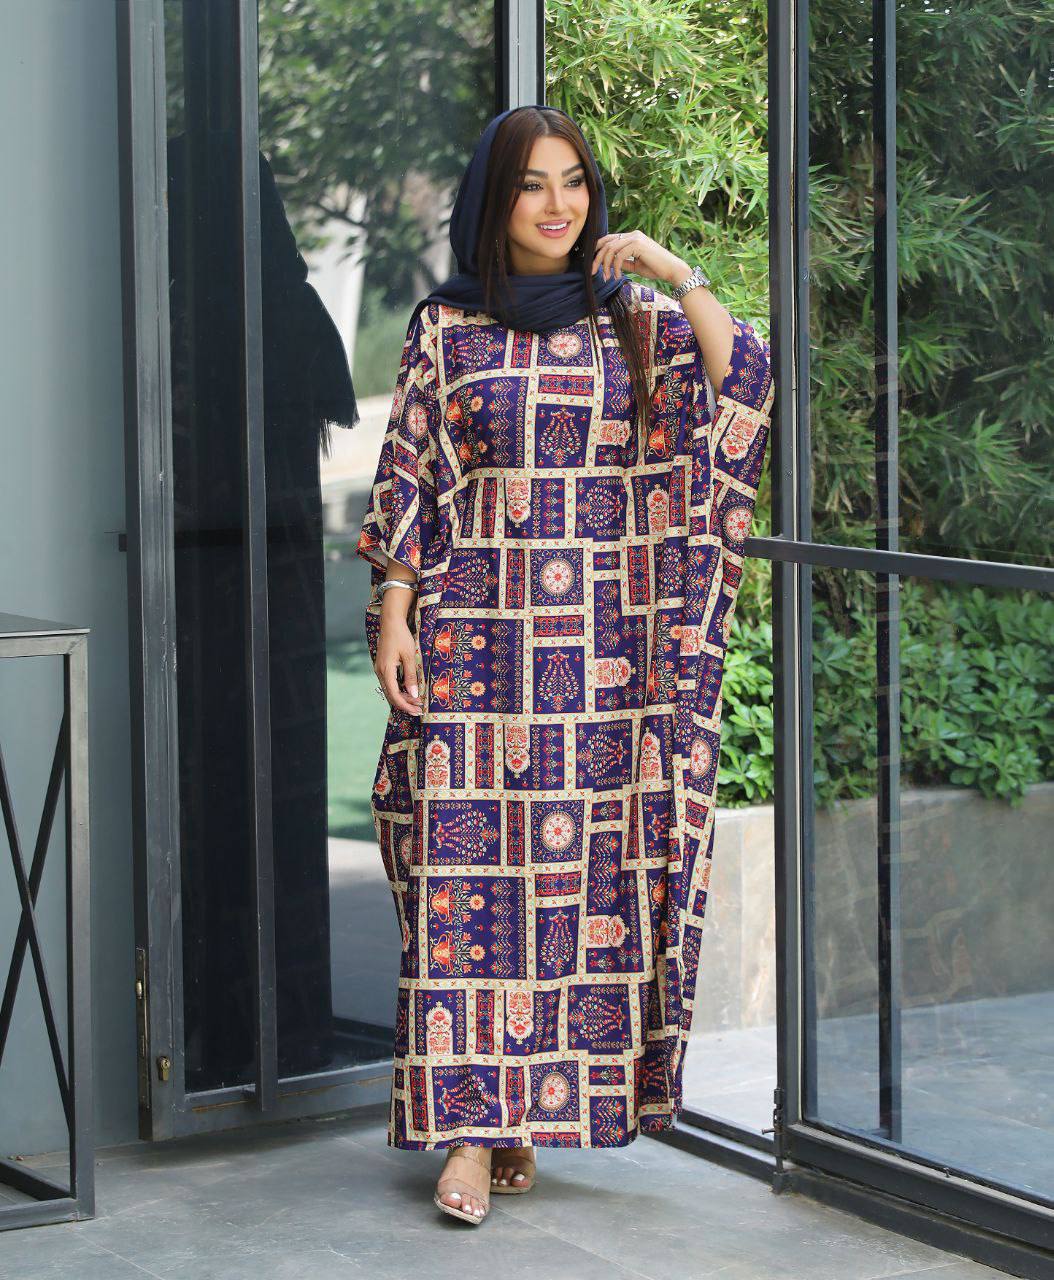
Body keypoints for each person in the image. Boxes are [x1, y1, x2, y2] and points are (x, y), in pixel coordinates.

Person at [355, 104, 775, 1225]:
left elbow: (747, 385)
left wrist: (673, 269)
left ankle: (514, 1124)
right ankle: (469, 1126)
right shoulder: (447, 328)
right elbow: (409, 476)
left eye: (574, 182)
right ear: (495, 201)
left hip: (605, 661)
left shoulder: (633, 319)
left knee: (572, 892)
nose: (558, 205)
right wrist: (395, 610)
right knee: (463, 890)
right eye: (533, 184)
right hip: (476, 647)